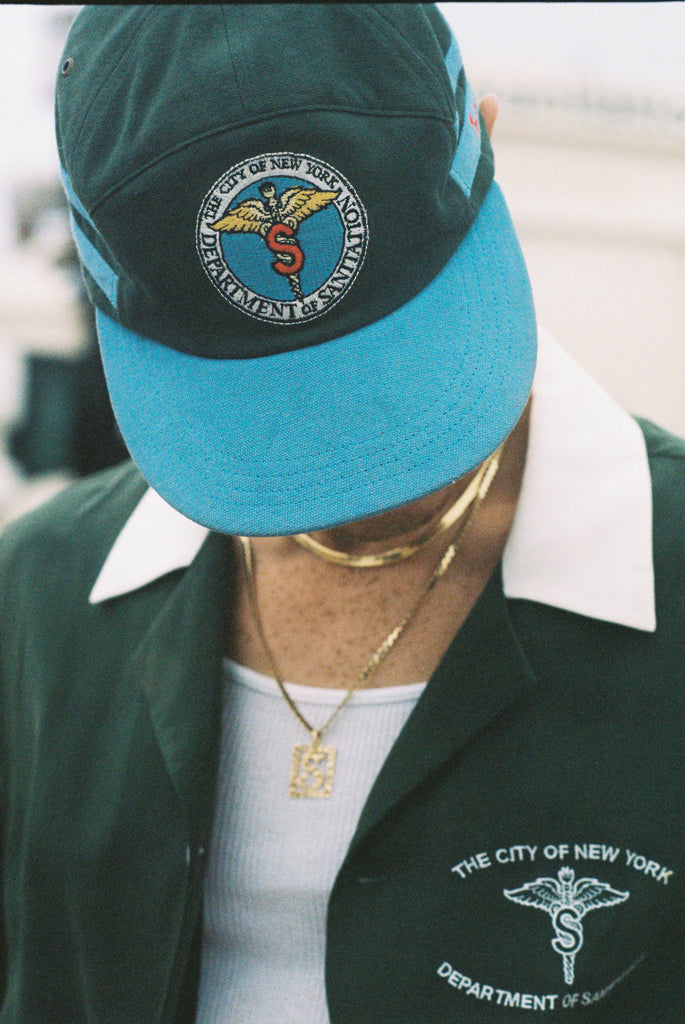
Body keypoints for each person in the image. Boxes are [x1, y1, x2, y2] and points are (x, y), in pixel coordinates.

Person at [0, 5, 682, 1023]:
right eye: (260, 405)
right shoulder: (38, 599)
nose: (345, 477)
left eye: (387, 367)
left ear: (488, 137)